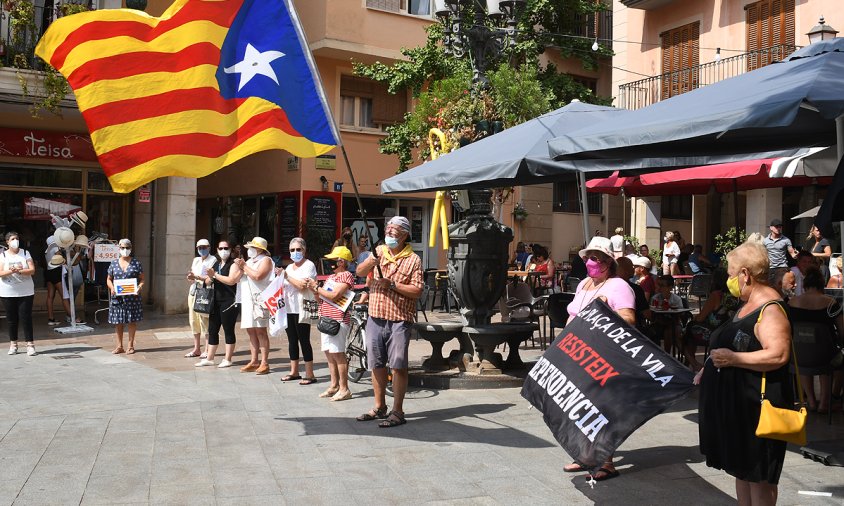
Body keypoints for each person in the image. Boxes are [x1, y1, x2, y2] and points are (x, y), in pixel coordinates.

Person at [698, 241, 792, 504]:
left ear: (745, 274)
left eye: (730, 274)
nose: (728, 279)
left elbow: (778, 354)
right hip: (740, 405)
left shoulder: (770, 309)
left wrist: (734, 358)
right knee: (742, 470)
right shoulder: (746, 303)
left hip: (758, 407)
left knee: (759, 476)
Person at [563, 236, 635, 481]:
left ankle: (606, 461)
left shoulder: (619, 286)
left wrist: (605, 309)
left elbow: (629, 320)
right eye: (587, 257)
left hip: (601, 356)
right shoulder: (584, 284)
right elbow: (573, 314)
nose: (590, 261)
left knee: (601, 408)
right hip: (576, 352)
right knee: (580, 405)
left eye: (595, 257)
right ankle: (585, 454)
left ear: (608, 262)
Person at [355, 216, 423, 428]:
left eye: (395, 232)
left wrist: (392, 284)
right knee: (376, 363)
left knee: (398, 365)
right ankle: (379, 406)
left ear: (405, 235)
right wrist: (370, 262)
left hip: (399, 320)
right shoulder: (379, 252)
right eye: (389, 231)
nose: (390, 235)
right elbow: (359, 273)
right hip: (376, 316)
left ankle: (398, 411)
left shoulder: (413, 259)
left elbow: (417, 290)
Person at [788, 267, 843, 413]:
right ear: (821, 283)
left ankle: (811, 402)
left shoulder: (792, 302)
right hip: (824, 355)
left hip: (798, 356)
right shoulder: (831, 303)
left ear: (805, 284)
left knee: (805, 351)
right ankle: (825, 402)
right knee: (832, 358)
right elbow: (842, 331)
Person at [307, 246, 355, 401]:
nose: (330, 262)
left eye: (333, 260)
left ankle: (344, 388)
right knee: (329, 353)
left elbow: (334, 295)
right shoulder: (330, 277)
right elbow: (321, 298)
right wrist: (315, 290)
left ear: (341, 261)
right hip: (326, 317)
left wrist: (317, 288)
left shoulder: (346, 276)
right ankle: (334, 385)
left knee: (338, 353)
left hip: (338, 319)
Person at [680, 269, 736, 371]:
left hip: (713, 333)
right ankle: (690, 363)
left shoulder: (716, 295)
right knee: (690, 331)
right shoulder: (735, 295)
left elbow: (701, 317)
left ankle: (692, 363)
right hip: (728, 332)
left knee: (687, 331)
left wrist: (695, 319)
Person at [197, 240, 242, 368]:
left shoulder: (233, 264)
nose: (223, 251)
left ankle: (228, 359)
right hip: (216, 301)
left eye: (226, 248)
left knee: (228, 330)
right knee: (212, 330)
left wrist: (215, 275)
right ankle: (210, 358)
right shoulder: (217, 263)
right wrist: (208, 278)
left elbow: (231, 280)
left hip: (229, 302)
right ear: (217, 250)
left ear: (231, 250)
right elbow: (208, 280)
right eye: (221, 248)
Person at [281, 237, 318, 385]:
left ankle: (310, 373)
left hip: (302, 308)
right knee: (292, 340)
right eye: (292, 250)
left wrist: (287, 278)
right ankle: (294, 371)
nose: (295, 252)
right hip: (289, 307)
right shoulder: (289, 268)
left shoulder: (309, 265)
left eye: (298, 249)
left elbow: (303, 285)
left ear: (304, 250)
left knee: (304, 340)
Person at [236, 237, 274, 375]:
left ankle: (264, 362)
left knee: (261, 331)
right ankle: (254, 360)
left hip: (259, 300)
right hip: (248, 300)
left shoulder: (266, 260)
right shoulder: (250, 261)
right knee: (251, 330)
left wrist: (244, 266)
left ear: (259, 249)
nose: (249, 250)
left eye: (252, 247)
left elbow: (258, 276)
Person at [1, 232, 36, 356]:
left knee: (26, 318)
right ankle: (13, 344)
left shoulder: (25, 253)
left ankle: (30, 345)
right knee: (11, 319)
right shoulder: (3, 255)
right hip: (7, 292)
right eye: (12, 239)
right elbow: (0, 272)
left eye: (17, 238)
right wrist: (10, 271)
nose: (15, 241)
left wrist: (20, 271)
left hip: (25, 291)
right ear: (7, 242)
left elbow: (32, 270)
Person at [106, 238, 144, 355]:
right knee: (118, 322)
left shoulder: (136, 263)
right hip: (118, 297)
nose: (125, 250)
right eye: (122, 248)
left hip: (132, 298)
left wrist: (139, 287)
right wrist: (112, 288)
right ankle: (119, 346)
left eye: (127, 248)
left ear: (131, 249)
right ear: (119, 249)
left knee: (132, 321)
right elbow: (108, 279)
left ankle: (131, 345)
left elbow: (142, 279)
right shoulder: (113, 263)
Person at [185, 239, 217, 359]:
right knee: (193, 321)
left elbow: (210, 277)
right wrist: (190, 277)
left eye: (204, 247)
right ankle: (196, 348)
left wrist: (196, 276)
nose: (202, 249)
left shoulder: (213, 260)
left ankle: (207, 349)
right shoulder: (196, 260)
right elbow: (193, 277)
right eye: (199, 247)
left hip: (206, 292)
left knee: (205, 321)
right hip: (194, 292)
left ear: (209, 247)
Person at [650, 275, 685, 353]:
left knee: (670, 331)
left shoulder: (676, 299)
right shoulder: (655, 298)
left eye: (662, 285)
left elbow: (681, 314)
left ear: (670, 287)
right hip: (659, 323)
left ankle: (667, 354)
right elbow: (652, 313)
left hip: (675, 323)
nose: (659, 288)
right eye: (659, 285)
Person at [617, 257, 650, 334]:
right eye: (632, 267)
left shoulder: (607, 286)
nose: (633, 269)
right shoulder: (635, 289)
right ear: (625, 270)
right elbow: (647, 313)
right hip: (633, 331)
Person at [763, 219, 797, 285]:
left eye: (780, 227)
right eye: (776, 226)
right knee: (771, 287)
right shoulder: (765, 241)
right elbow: (763, 254)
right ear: (771, 228)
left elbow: (792, 252)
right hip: (770, 268)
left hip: (782, 267)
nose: (778, 228)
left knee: (782, 287)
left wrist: (796, 255)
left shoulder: (786, 240)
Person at [44, 236, 67, 326]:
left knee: (50, 297)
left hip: (49, 271)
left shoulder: (47, 250)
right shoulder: (55, 248)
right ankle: (73, 317)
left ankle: (51, 318)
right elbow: (60, 259)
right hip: (57, 272)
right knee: (64, 296)